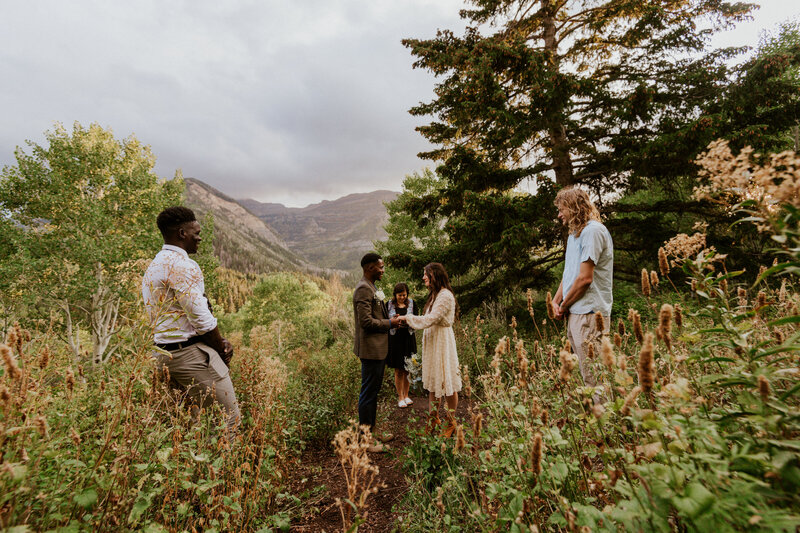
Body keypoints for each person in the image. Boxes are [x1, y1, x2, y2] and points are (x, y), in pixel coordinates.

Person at [142, 206, 241, 433]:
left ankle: (197, 467)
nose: (199, 237)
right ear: (181, 233)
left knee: (192, 425)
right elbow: (201, 317)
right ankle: (225, 468)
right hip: (190, 357)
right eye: (195, 232)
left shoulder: (155, 265)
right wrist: (221, 347)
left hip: (162, 355)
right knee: (229, 419)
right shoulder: (181, 266)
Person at [550, 188, 614, 401]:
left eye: (562, 209)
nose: (559, 215)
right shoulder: (575, 234)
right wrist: (556, 301)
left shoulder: (593, 232)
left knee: (596, 378)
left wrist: (565, 305)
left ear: (574, 207)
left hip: (590, 313)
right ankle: (598, 426)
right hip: (576, 313)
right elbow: (570, 274)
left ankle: (608, 429)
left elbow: (585, 279)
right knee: (588, 377)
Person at [398, 263, 461, 437]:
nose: (424, 277)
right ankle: (433, 419)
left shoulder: (445, 295)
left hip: (443, 342)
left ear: (435, 275)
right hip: (434, 342)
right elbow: (428, 318)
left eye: (426, 274)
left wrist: (408, 318)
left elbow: (431, 318)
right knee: (434, 382)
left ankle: (451, 421)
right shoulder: (435, 295)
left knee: (447, 381)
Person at [352, 252, 402, 453]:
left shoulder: (371, 287)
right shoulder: (363, 289)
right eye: (380, 267)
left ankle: (371, 431)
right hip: (371, 351)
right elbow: (365, 322)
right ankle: (365, 440)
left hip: (378, 350)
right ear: (369, 268)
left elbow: (375, 315)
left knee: (373, 392)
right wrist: (390, 323)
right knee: (368, 394)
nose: (383, 270)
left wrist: (392, 319)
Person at [386, 282, 419, 408]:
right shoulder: (389, 304)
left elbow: (416, 320)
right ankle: (400, 397)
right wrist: (394, 320)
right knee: (398, 369)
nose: (402, 297)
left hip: (409, 339)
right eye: (399, 295)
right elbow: (386, 320)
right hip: (395, 340)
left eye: (404, 295)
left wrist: (408, 320)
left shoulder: (412, 304)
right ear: (395, 295)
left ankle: (406, 395)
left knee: (408, 369)